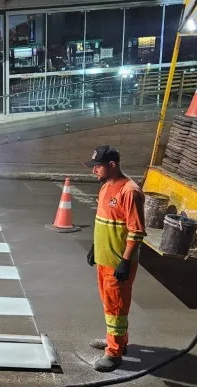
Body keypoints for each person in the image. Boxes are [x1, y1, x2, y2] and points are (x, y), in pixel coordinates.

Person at [85, 146, 146, 373]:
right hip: (104, 259)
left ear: (112, 165)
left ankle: (114, 353)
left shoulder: (129, 192)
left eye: (98, 166)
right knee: (110, 306)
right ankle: (117, 342)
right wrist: (94, 247)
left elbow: (136, 231)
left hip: (117, 263)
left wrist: (126, 261)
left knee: (116, 309)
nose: (94, 171)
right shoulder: (105, 188)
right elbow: (103, 222)